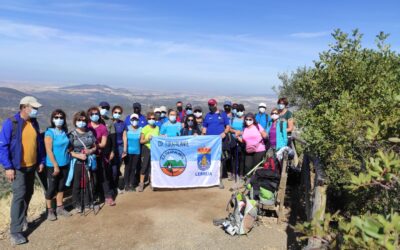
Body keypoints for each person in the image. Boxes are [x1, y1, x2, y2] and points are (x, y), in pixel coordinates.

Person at [0, 96, 45, 246]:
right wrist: (8, 167)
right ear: (24, 107)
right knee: (19, 196)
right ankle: (15, 231)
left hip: (32, 166)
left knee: (28, 193)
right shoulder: (11, 123)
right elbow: (3, 146)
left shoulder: (34, 123)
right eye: (34, 108)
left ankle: (22, 218)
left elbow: (38, 144)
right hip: (17, 167)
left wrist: (41, 161)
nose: (36, 110)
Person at [68, 111, 97, 213]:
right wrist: (78, 155)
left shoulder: (90, 133)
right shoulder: (72, 135)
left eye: (84, 120)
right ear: (75, 121)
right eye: (79, 120)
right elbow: (68, 150)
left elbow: (95, 146)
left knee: (89, 182)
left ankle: (88, 201)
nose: (82, 122)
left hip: (89, 161)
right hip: (77, 163)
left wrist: (90, 151)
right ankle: (77, 203)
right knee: (77, 183)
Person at [44, 109, 71, 221]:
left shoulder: (64, 131)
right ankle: (50, 210)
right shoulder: (49, 132)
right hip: (53, 165)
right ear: (52, 119)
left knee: (61, 187)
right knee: (52, 188)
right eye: (56, 117)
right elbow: (49, 150)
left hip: (65, 163)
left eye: (61, 117)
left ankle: (60, 207)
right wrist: (55, 165)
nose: (59, 119)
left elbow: (67, 145)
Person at [87, 107, 114, 206]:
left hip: (98, 156)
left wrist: (93, 146)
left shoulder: (103, 127)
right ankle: (92, 197)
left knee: (103, 176)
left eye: (96, 114)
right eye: (92, 114)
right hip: (87, 157)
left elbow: (103, 144)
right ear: (89, 115)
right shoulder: (87, 126)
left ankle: (108, 196)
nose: (95, 116)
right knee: (91, 178)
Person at [202, 99, 230, 189]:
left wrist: (224, 133)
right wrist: (202, 136)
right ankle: (208, 179)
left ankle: (219, 180)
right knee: (208, 160)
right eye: (209, 105)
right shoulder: (207, 115)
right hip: (209, 142)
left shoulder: (223, 114)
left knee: (220, 161)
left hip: (220, 142)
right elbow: (204, 127)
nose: (211, 106)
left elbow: (228, 127)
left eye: (212, 104)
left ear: (216, 104)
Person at [106, 106, 126, 194]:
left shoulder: (122, 123)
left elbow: (124, 136)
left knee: (117, 168)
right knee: (110, 168)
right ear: (112, 112)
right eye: (115, 112)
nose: (117, 114)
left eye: (119, 113)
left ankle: (115, 187)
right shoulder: (109, 123)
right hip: (110, 147)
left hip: (120, 147)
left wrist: (125, 149)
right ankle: (109, 187)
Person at [137, 112, 159, 192]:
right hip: (146, 148)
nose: (151, 120)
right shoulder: (145, 128)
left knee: (152, 166)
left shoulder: (157, 128)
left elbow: (158, 138)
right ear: (147, 119)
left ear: (155, 119)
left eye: (153, 118)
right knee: (144, 166)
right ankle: (141, 183)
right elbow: (141, 141)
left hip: (154, 149)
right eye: (150, 118)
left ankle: (151, 182)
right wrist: (147, 139)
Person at [122, 114, 142, 191]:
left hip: (137, 152)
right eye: (133, 119)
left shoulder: (141, 129)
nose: (134, 121)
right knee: (127, 168)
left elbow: (142, 139)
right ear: (130, 120)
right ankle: (126, 184)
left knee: (134, 168)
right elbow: (125, 140)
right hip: (128, 152)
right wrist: (124, 151)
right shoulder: (127, 129)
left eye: (136, 119)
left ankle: (131, 183)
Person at [229, 104, 245, 180]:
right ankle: (233, 173)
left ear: (243, 111)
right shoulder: (232, 119)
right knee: (234, 157)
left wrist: (241, 133)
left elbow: (247, 130)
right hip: (233, 140)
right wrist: (235, 131)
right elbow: (229, 129)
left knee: (241, 158)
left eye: (241, 110)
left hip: (242, 140)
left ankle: (241, 174)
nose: (239, 112)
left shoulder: (246, 120)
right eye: (238, 110)